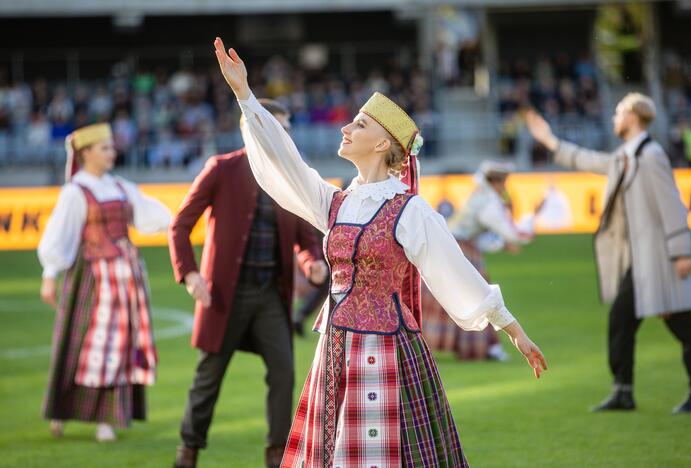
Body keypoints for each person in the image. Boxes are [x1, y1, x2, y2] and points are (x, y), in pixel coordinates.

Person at [214, 37, 547, 466]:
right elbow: (285, 162)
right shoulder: (334, 201)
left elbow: (456, 273)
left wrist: (513, 330)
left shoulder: (410, 211)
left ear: (380, 145)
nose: (345, 129)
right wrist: (245, 95)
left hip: (388, 349)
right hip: (335, 347)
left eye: (358, 124)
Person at [168, 98, 328, 468]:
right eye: (277, 127)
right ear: (252, 129)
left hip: (272, 295)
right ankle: (187, 452)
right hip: (224, 296)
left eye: (287, 129)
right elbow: (179, 225)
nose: (284, 136)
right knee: (208, 377)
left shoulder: (295, 178)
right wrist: (190, 274)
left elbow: (307, 240)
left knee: (284, 374)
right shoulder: (221, 170)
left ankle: (277, 457)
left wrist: (312, 263)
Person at [525, 93, 691, 413]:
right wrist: (550, 141)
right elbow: (589, 160)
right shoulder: (627, 156)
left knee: (684, 326)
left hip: (661, 259)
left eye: (619, 111)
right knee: (622, 321)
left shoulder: (650, 155)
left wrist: (681, 252)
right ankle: (623, 391)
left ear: (634, 116)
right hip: (642, 263)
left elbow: (672, 205)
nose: (614, 117)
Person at [38, 123, 171, 442]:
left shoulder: (121, 186)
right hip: (92, 280)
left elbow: (151, 216)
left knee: (120, 345)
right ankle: (62, 409)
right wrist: (49, 275)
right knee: (83, 343)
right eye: (105, 148)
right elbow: (60, 235)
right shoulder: (76, 192)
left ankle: (107, 418)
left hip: (127, 278)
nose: (112, 152)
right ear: (86, 153)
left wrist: (179, 219)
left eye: (112, 147)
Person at [423, 161, 531, 361]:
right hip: (462, 248)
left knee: (456, 296)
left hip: (454, 244)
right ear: (498, 182)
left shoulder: (480, 195)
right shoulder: (489, 200)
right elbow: (508, 232)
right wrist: (525, 233)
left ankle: (479, 345)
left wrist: (505, 243)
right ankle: (484, 347)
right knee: (479, 295)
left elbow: (483, 232)